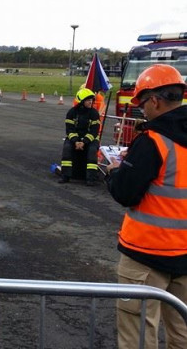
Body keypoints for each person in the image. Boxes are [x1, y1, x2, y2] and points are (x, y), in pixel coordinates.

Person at [106, 64, 187, 348]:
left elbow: (125, 193)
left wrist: (115, 172)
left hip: (146, 255)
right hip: (185, 254)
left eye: (141, 103)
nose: (141, 109)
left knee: (138, 334)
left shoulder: (152, 141)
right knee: (182, 332)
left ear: (155, 100)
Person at [58, 87, 101, 185]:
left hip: (91, 139)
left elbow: (94, 131)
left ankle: (91, 178)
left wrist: (84, 141)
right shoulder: (72, 112)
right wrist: (76, 141)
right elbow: (69, 130)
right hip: (75, 139)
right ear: (81, 101)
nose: (91, 102)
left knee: (92, 151)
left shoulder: (94, 113)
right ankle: (65, 176)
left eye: (91, 100)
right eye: (88, 100)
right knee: (67, 148)